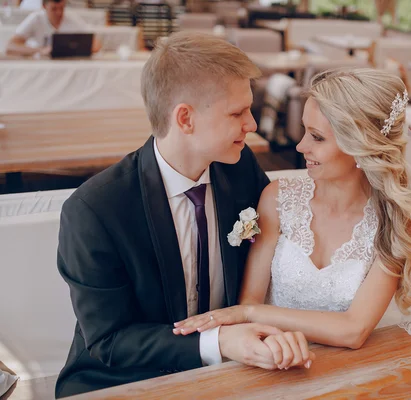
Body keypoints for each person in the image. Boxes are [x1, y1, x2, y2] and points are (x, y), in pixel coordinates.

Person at [174, 68, 411, 381]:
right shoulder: (277, 199)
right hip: (272, 361)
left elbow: (354, 330)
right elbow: (250, 303)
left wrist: (249, 312)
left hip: (356, 371)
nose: (300, 145)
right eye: (305, 133)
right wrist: (267, 331)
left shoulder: (397, 220)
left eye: (317, 137)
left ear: (360, 147)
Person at [55, 32, 313, 398]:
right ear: (185, 118)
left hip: (233, 373)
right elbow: (110, 342)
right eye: (238, 112)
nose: (252, 124)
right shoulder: (95, 211)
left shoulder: (240, 171)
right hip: (123, 381)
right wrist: (219, 341)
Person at [7, 0, 101, 57]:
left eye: (62, 8)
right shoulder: (36, 18)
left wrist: (73, 49)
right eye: (54, 9)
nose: (59, 13)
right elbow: (10, 47)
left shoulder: (72, 18)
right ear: (44, 6)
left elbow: (96, 45)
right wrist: (40, 50)